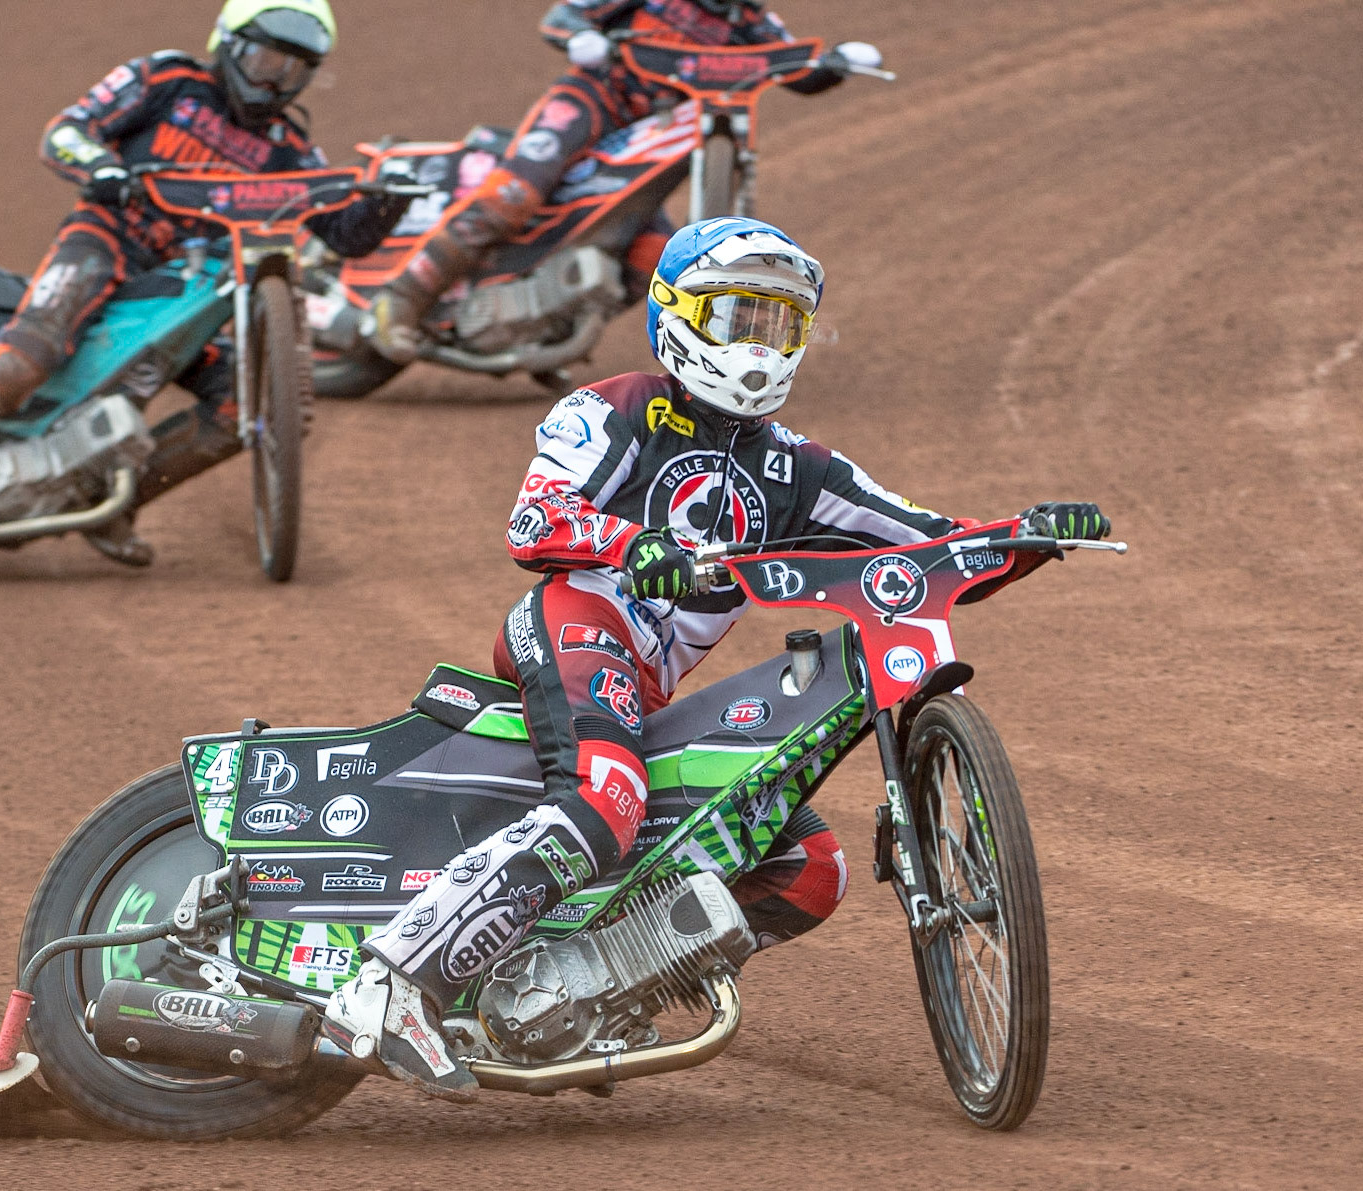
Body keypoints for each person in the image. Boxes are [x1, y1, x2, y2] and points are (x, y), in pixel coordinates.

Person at [324, 216, 1110, 1101]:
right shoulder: (608, 409)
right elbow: (534, 520)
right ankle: (388, 982)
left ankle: (597, 987)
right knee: (606, 797)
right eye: (737, 318)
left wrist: (1029, 535)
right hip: (576, 621)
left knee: (809, 869)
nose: (757, 346)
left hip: (646, 684)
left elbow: (928, 543)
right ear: (676, 316)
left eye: (777, 326)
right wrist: (631, 544)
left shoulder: (798, 468)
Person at [0, 0, 410, 565]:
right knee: (32, 350)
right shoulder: (167, 80)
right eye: (265, 60)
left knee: (241, 404)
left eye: (292, 70)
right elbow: (67, 130)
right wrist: (101, 168)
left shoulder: (289, 149)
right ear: (227, 43)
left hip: (182, 288)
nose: (273, 81)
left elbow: (345, 234)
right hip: (105, 241)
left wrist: (390, 199)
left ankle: (117, 502)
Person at [361, 0, 883, 363]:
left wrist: (837, 63)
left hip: (647, 148)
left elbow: (797, 69)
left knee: (651, 259)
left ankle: (551, 332)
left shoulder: (753, 20)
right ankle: (402, 298)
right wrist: (583, 37)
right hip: (594, 100)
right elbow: (561, 17)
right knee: (514, 195)